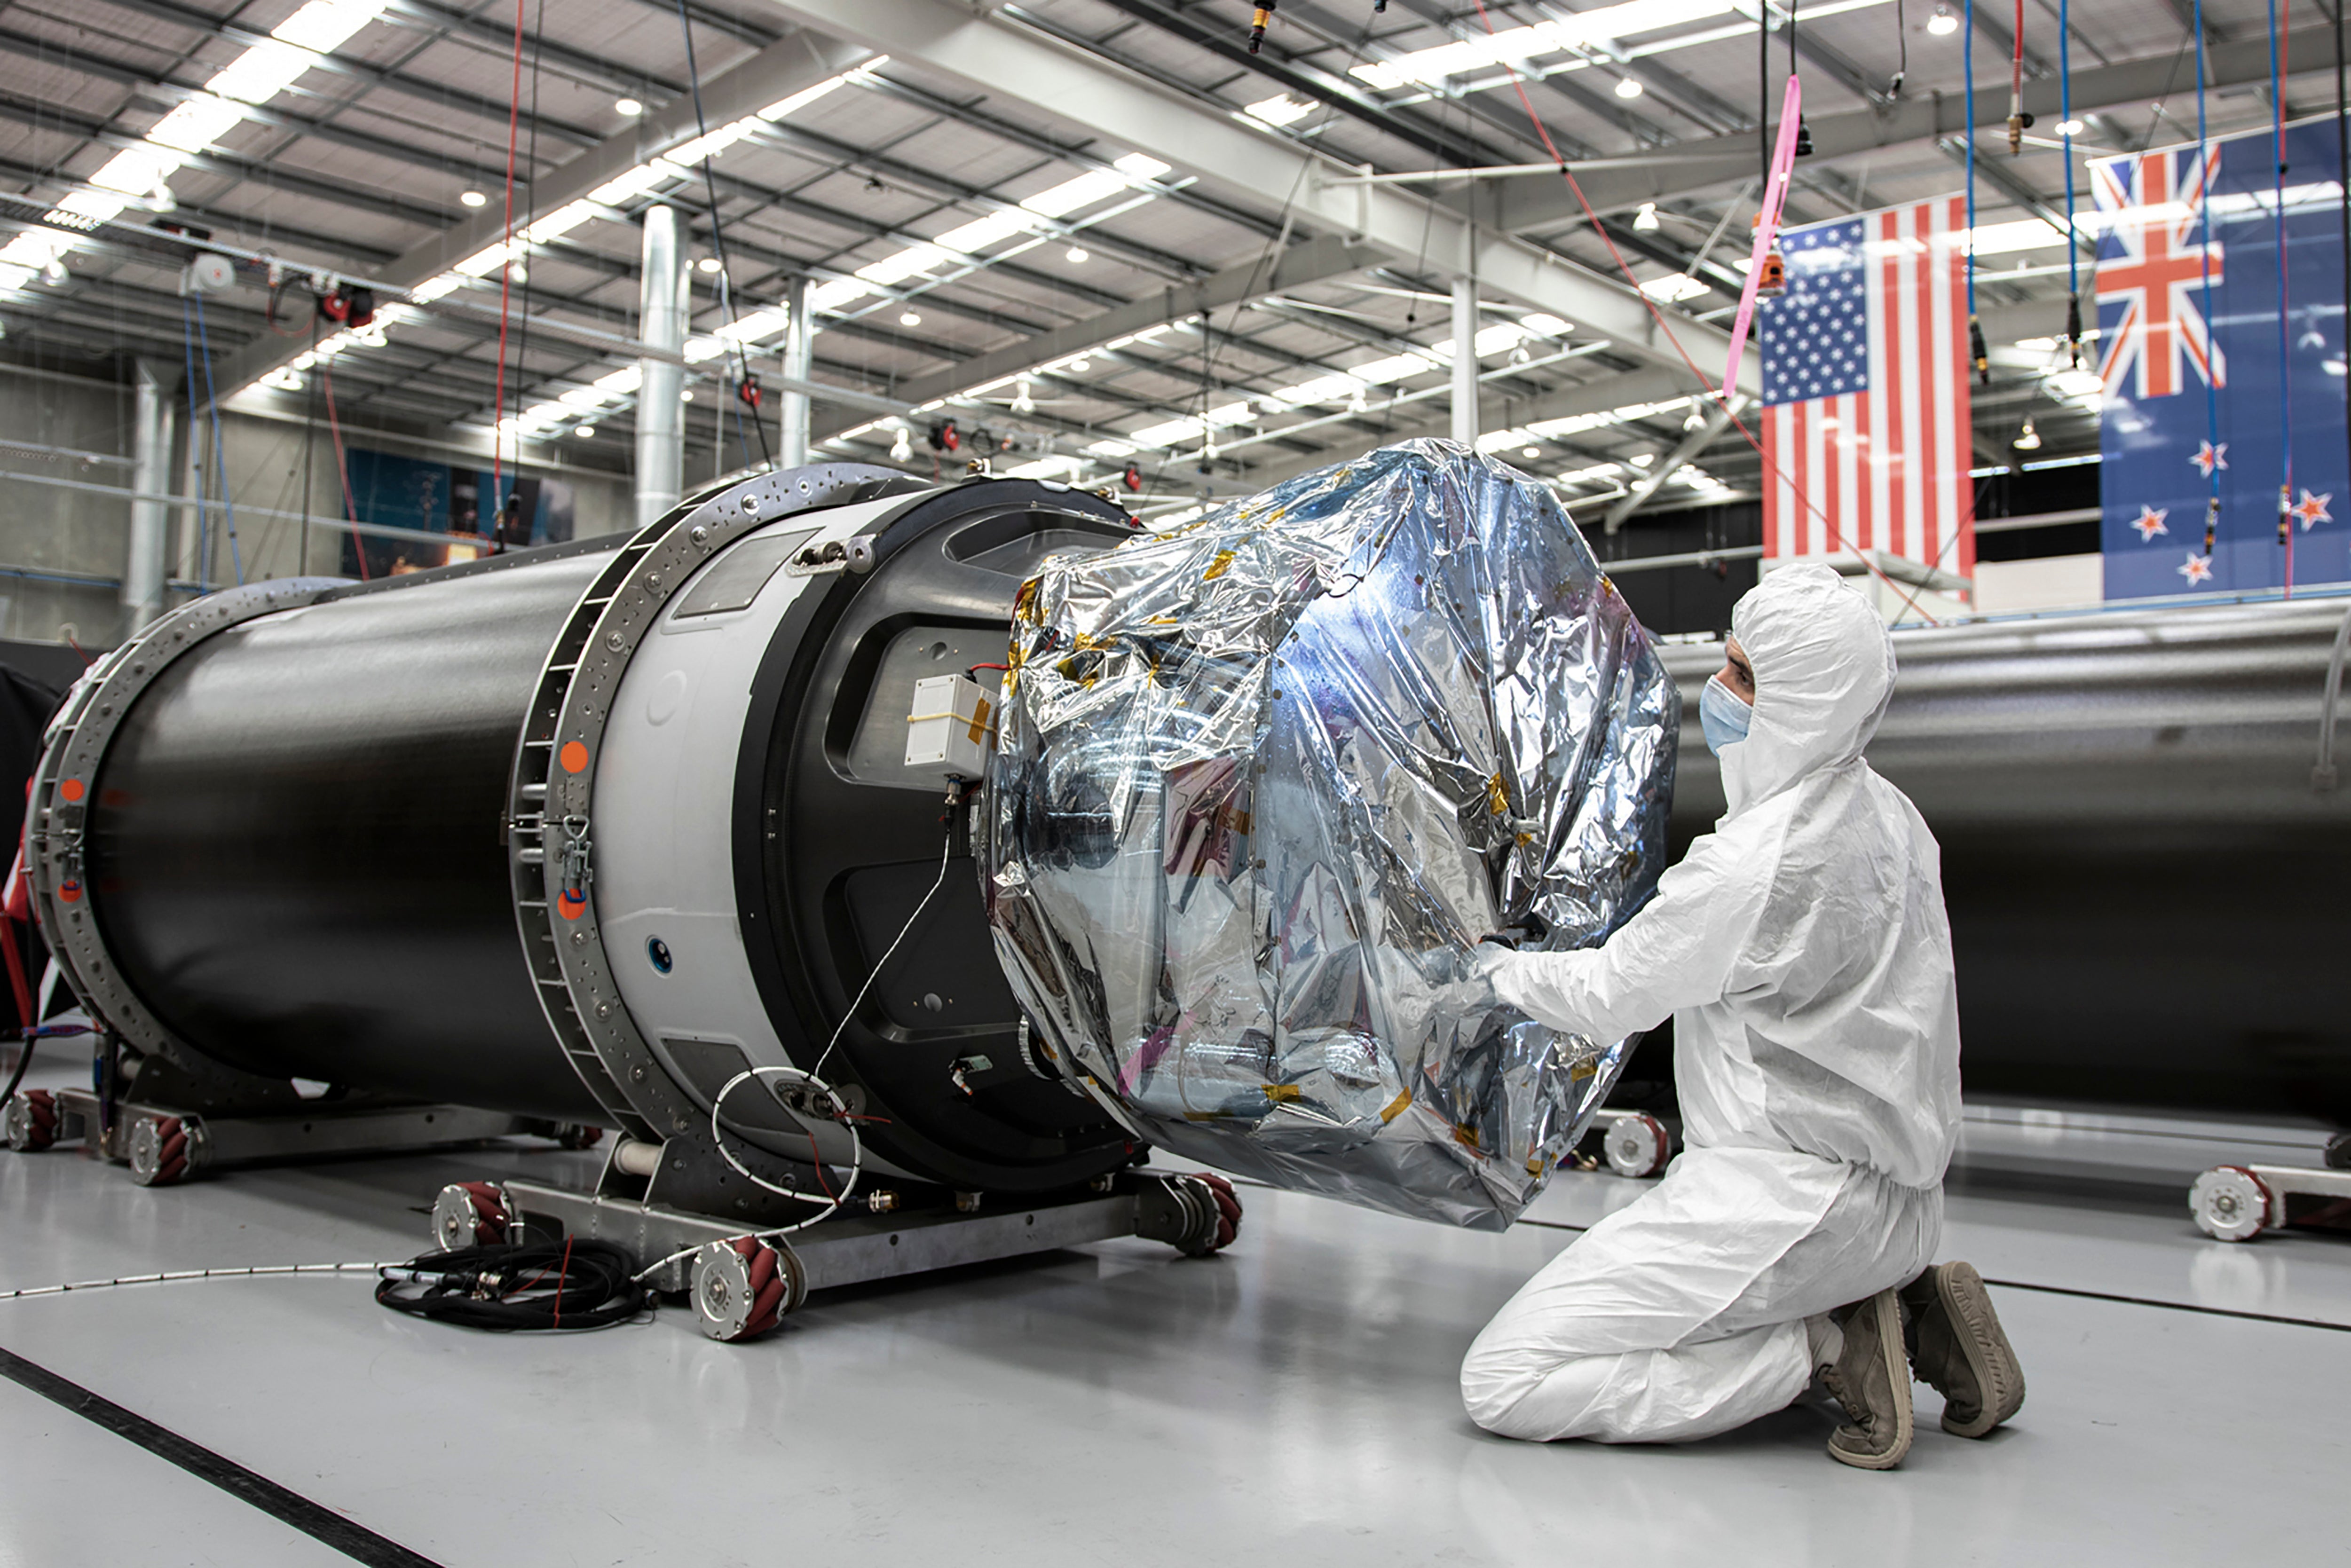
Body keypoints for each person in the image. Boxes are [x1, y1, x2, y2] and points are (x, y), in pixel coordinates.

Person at [1457, 563, 2023, 1469]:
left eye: (1747, 676)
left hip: (1785, 1208)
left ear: (1808, 703)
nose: (1720, 693)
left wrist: (1489, 970)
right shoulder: (1896, 818)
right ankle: (1894, 1292)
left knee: (1508, 1379)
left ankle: (1828, 1342)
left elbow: (1610, 995)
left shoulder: (1753, 865)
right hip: (1907, 1202)